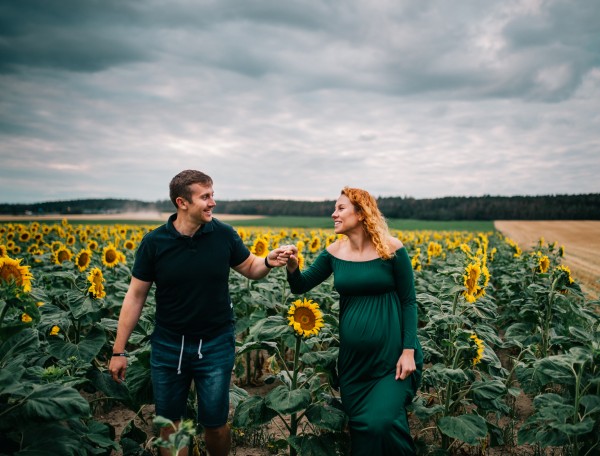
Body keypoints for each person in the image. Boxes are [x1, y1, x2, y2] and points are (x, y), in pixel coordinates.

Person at [109, 170, 291, 456]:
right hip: (169, 344)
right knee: (171, 425)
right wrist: (119, 351)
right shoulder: (154, 243)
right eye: (205, 197)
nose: (212, 202)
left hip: (215, 342)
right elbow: (135, 296)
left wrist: (268, 260)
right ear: (182, 202)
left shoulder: (223, 234)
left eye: (212, 195)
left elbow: (250, 268)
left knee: (215, 424)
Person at [283, 187, 423, 455]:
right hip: (354, 365)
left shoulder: (391, 249)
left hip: (392, 359)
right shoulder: (334, 252)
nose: (333, 214)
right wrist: (292, 266)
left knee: (382, 423)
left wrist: (408, 351)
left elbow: (408, 301)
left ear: (360, 213)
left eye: (340, 208)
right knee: (362, 428)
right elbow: (301, 285)